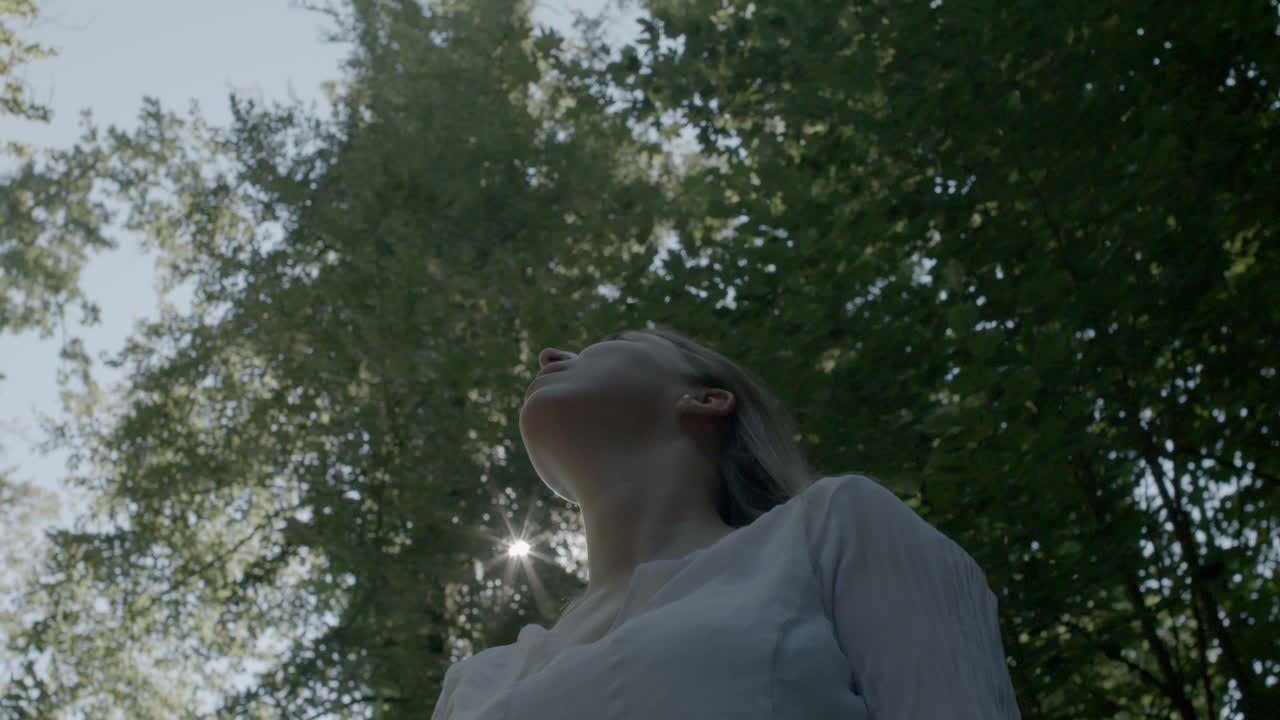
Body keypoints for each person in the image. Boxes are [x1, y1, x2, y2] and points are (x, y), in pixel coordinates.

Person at [432, 325, 1022, 719]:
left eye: (609, 342)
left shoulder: (833, 528)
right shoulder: (475, 683)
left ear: (707, 399)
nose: (549, 356)